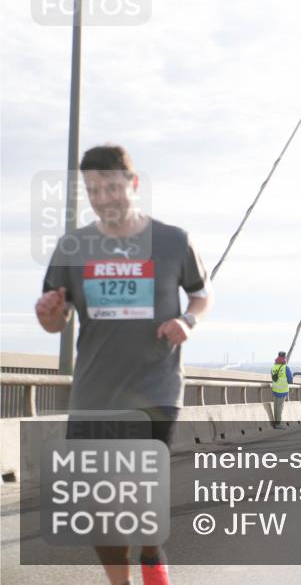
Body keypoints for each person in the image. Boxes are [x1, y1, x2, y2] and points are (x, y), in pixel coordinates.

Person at [35, 144, 213, 585]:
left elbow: (202, 294)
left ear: (133, 185)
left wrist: (188, 321)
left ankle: (151, 552)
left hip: (156, 388)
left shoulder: (173, 241)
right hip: (94, 393)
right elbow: (55, 321)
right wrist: (50, 313)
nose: (103, 197)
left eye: (111, 186)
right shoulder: (72, 246)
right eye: (93, 190)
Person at [271, 351, 293, 428]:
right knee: (280, 407)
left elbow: (272, 377)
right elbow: (290, 379)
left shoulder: (273, 367)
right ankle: (278, 423)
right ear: (284, 358)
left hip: (275, 389)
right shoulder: (286, 368)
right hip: (282, 390)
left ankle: (276, 421)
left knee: (276, 406)